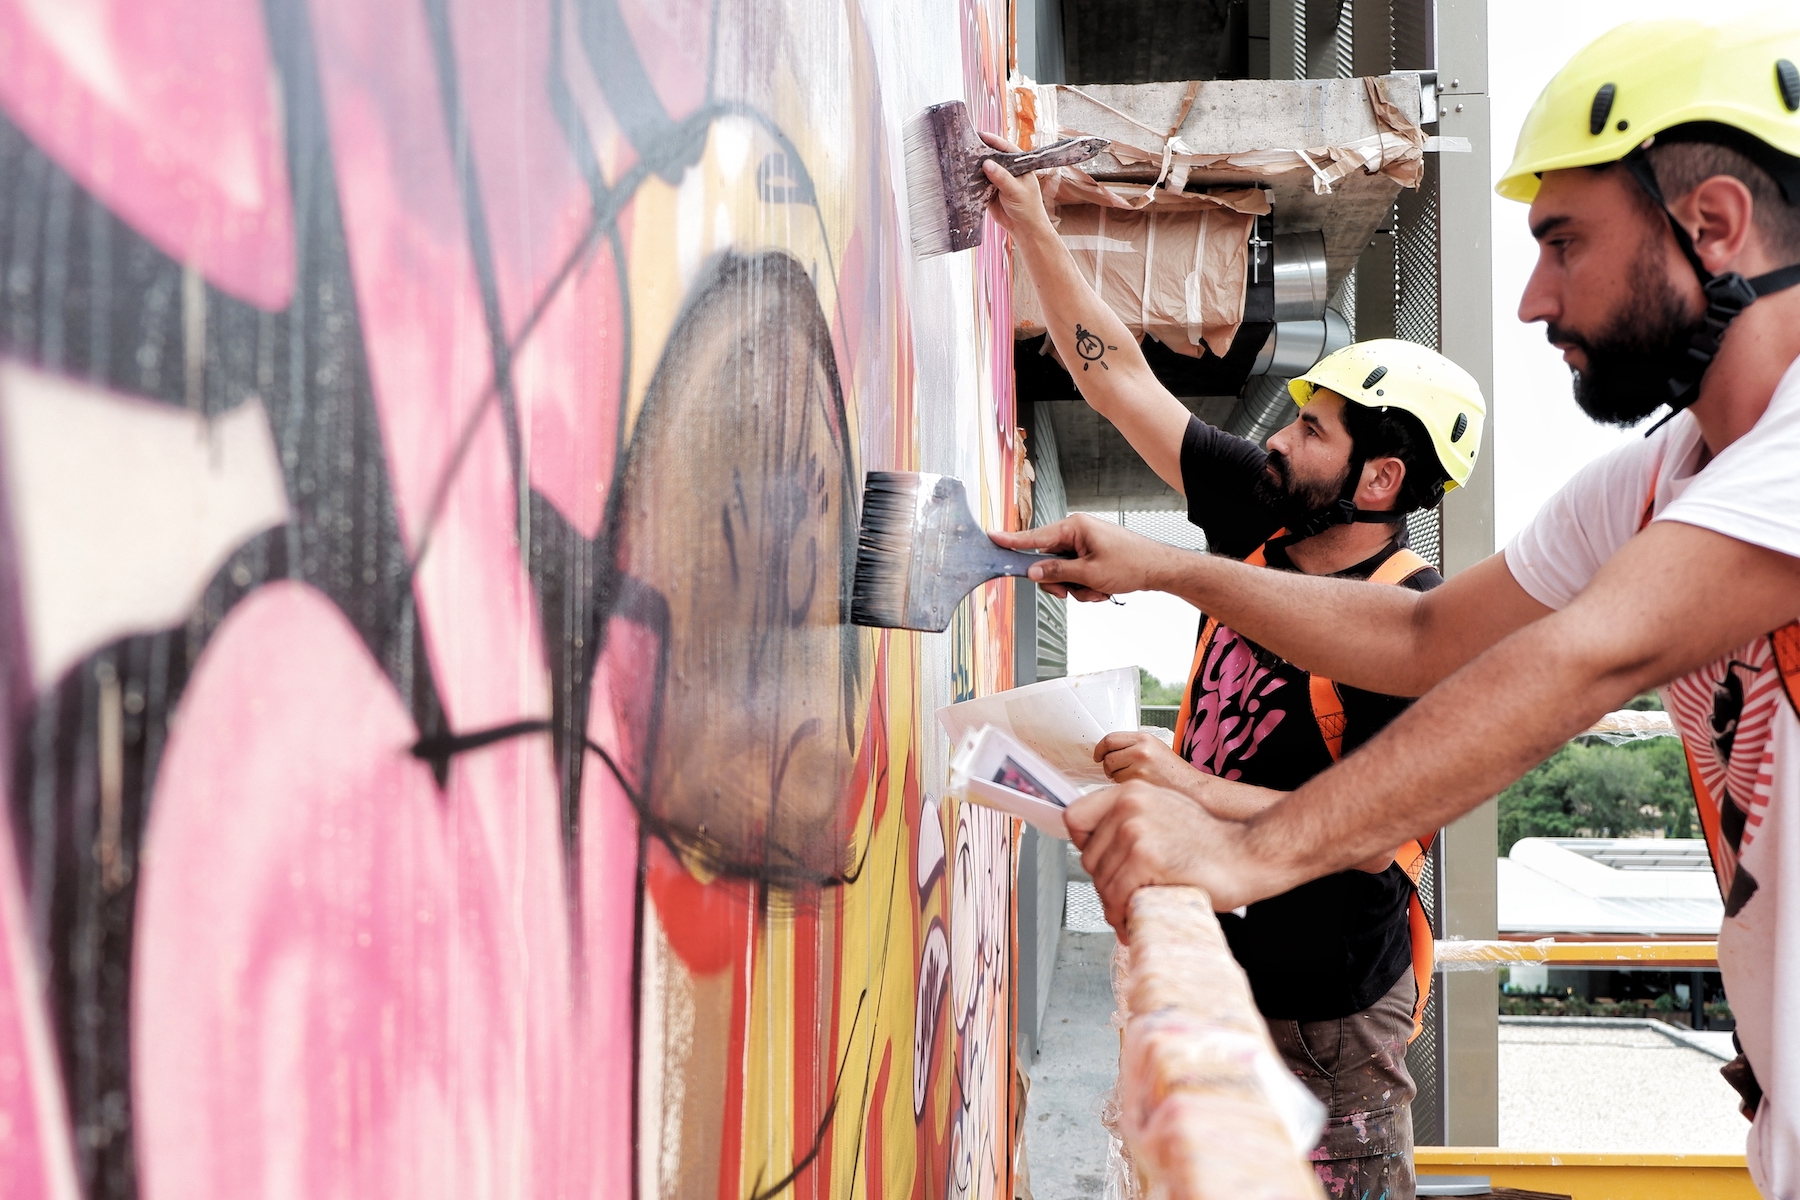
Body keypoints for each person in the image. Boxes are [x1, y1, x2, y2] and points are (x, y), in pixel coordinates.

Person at [988, 14, 1800, 1195]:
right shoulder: (1654, 481)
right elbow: (1428, 639)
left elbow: (1580, 660)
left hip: (1339, 999)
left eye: (1564, 242)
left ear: (1712, 225)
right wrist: (1167, 567)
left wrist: (1242, 843)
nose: (1531, 301)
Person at [984, 129, 1486, 1199]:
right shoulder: (1265, 508)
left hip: (1329, 1014)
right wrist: (1030, 224)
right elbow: (1117, 379)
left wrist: (1188, 786)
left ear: (1378, 479)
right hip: (1218, 949)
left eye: (1314, 430)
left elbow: (1368, 836)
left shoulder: (1413, 627)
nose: (1279, 439)